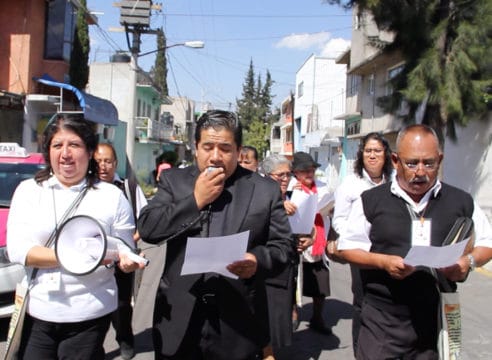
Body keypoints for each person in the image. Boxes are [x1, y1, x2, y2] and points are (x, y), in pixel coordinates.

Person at [137, 110, 295, 360]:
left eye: (225, 148)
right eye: (208, 146)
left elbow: (284, 246)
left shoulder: (265, 190)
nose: (215, 156)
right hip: (179, 317)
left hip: (238, 321)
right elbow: (148, 228)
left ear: (238, 150)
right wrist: (195, 201)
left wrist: (256, 260)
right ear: (196, 147)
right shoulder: (174, 181)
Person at [338, 124, 492, 359]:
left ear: (439, 159)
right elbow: (348, 247)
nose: (420, 171)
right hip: (383, 319)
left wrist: (468, 262)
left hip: (434, 316)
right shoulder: (371, 201)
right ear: (396, 161)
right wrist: (383, 262)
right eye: (412, 163)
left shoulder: (461, 201)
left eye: (428, 163)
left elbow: (486, 243)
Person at [6, 114, 145, 360]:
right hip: (38, 313)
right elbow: (18, 250)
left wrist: (127, 261)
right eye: (57, 145)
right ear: (48, 150)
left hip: (90, 315)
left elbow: (123, 248)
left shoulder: (111, 197)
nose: (66, 154)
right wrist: (80, 256)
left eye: (75, 145)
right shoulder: (29, 192)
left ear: (90, 151)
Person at [331, 132, 393, 356]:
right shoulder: (350, 184)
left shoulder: (394, 182)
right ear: (361, 154)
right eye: (368, 151)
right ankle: (361, 350)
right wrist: (356, 238)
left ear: (386, 154)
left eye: (377, 151)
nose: (373, 155)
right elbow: (338, 220)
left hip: (388, 251)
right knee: (363, 302)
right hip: (360, 253)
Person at [94, 143, 148, 360]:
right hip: (93, 260)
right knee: (94, 303)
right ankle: (94, 345)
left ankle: (125, 340)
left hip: (122, 259)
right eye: (98, 161)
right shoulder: (85, 188)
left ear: (115, 163)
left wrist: (128, 243)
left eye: (107, 161)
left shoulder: (128, 187)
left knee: (122, 304)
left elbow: (144, 220)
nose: (103, 166)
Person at [289, 151, 334, 335]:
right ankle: (292, 313)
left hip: (318, 241)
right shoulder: (291, 188)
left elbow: (331, 209)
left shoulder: (323, 187)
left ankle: (317, 317)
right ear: (296, 173)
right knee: (293, 280)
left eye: (312, 170)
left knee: (320, 283)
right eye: (304, 170)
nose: (309, 173)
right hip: (298, 240)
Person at [260, 154, 297, 360]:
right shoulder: (260, 196)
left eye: (288, 175)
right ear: (267, 176)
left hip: (288, 265)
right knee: (267, 314)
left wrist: (308, 237)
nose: (285, 179)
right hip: (267, 265)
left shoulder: (292, 197)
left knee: (280, 314)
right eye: (280, 175)